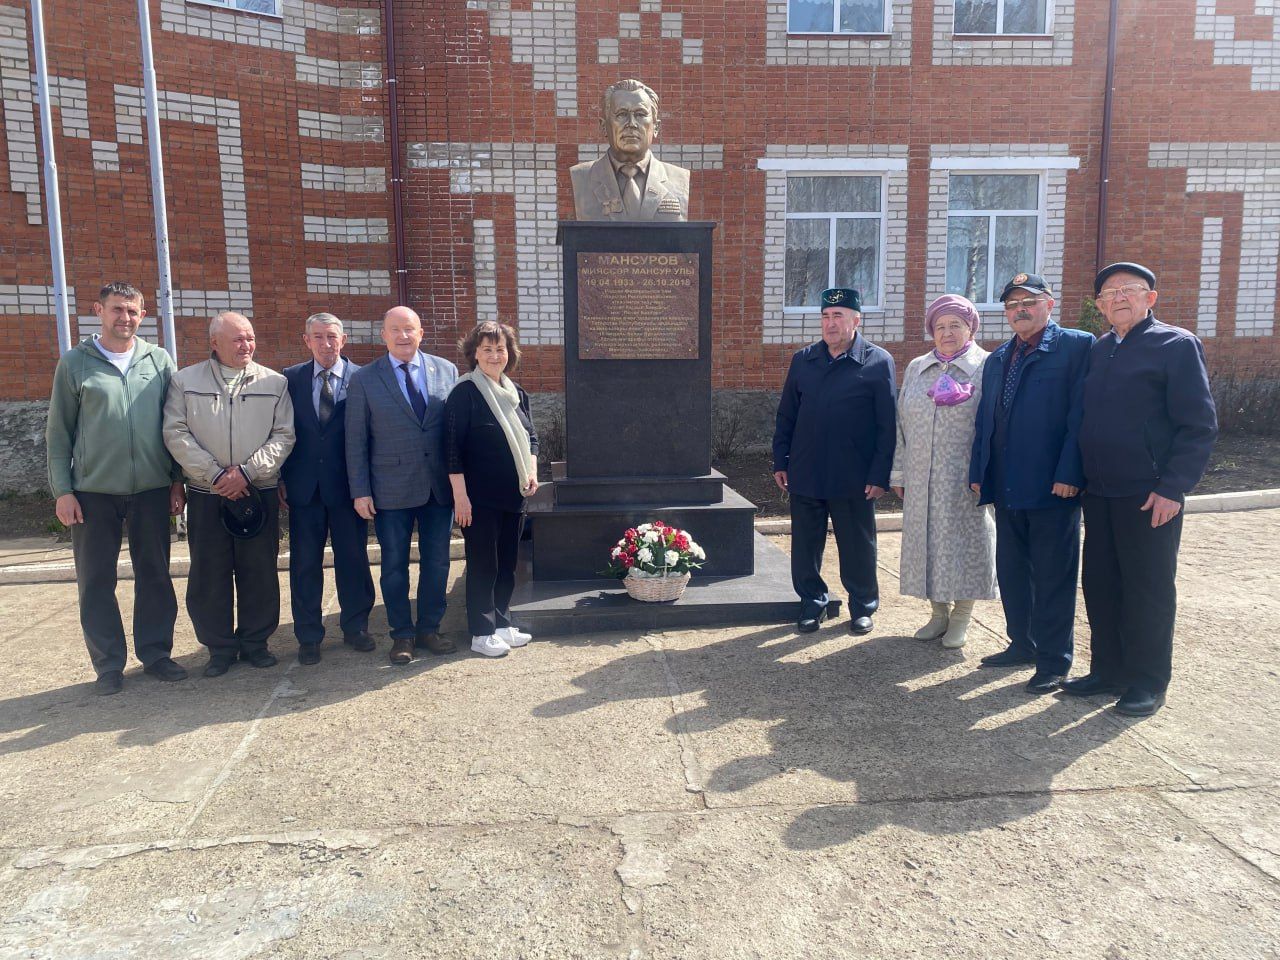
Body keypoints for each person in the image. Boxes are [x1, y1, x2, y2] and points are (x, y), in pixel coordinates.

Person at [1063, 262, 1218, 717]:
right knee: (1102, 585)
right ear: (1099, 307)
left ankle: (1148, 681)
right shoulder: (1100, 349)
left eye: (1130, 290)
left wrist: (1173, 487)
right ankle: (1108, 671)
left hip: (1150, 495)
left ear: (1151, 298)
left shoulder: (1175, 344)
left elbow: (1199, 426)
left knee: (1147, 589)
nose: (1119, 298)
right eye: (1109, 294)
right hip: (1102, 491)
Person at [45, 281, 187, 695]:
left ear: (142, 315)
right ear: (99, 311)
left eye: (132, 311)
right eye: (116, 309)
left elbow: (174, 425)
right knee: (95, 579)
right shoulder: (75, 363)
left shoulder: (159, 360)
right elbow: (59, 434)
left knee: (155, 574)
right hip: (93, 491)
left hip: (151, 488)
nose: (124, 318)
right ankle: (108, 664)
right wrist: (63, 490)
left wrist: (177, 480)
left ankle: (156, 654)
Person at [969, 273, 1093, 694]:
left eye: (1028, 301)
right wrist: (978, 472)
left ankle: (1054, 660)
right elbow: (986, 421)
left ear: (1049, 304)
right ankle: (1022, 643)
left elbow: (1081, 418)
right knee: (1014, 571)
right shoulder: (999, 357)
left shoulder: (1076, 346)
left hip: (1052, 488)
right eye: (1011, 304)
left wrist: (1070, 473)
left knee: (1053, 576)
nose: (1020, 309)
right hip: (1006, 484)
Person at [163, 311, 295, 677]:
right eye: (237, 338)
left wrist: (248, 473)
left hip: (258, 490)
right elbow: (176, 433)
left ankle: (256, 642)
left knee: (259, 571)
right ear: (214, 343)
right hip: (208, 492)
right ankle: (219, 648)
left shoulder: (275, 383)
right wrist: (218, 474)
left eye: (250, 337)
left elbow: (284, 435)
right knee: (209, 573)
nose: (246, 345)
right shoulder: (185, 382)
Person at [772, 287, 896, 635]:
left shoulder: (877, 361)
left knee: (857, 545)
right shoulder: (804, 360)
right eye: (826, 316)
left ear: (856, 320)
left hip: (853, 475)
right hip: (807, 469)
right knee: (806, 544)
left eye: (838, 315)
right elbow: (787, 415)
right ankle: (812, 602)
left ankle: (862, 606)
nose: (830, 323)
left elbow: (887, 426)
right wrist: (781, 460)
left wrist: (879, 474)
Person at [346, 306, 458, 665]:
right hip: (389, 489)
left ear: (421, 333)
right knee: (394, 565)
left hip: (437, 488)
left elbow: (454, 432)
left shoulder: (446, 370)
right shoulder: (364, 379)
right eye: (395, 330)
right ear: (383, 336)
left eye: (409, 329)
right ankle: (402, 635)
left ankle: (429, 629)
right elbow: (356, 440)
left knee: (438, 563)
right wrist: (360, 490)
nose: (403, 336)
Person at [890, 294, 997, 650]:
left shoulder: (987, 366)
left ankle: (962, 615)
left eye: (956, 325)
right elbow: (901, 424)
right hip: (922, 475)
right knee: (927, 543)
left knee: (965, 542)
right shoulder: (918, 367)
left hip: (965, 477)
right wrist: (900, 472)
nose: (947, 332)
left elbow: (995, 425)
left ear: (970, 328)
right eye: (940, 326)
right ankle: (938, 613)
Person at [280, 313, 376, 665]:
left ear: (344, 339)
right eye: (318, 337)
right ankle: (308, 635)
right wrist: (280, 478)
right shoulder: (289, 379)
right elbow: (280, 430)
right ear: (306, 340)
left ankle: (356, 627)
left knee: (353, 560)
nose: (325, 343)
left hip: (350, 489)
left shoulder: (364, 378)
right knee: (304, 565)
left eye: (332, 336)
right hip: (303, 490)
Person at [446, 321, 540, 657]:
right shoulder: (465, 393)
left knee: (507, 563)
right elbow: (452, 450)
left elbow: (531, 439)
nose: (494, 355)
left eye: (500, 349)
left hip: (514, 496)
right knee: (483, 563)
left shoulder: (518, 394)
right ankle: (481, 631)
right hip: (478, 499)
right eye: (487, 349)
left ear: (509, 354)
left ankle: (501, 622)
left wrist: (531, 472)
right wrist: (461, 497)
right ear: (474, 354)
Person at [570, 79, 690, 221]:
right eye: (621, 114)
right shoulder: (582, 177)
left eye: (640, 114)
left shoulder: (677, 179)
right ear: (604, 126)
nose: (631, 124)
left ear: (656, 127)